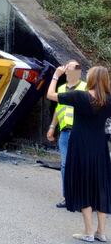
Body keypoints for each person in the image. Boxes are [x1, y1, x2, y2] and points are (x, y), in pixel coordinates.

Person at [47, 65, 111, 243]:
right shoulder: (108, 100)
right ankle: (101, 232)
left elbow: (50, 95)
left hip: (80, 146)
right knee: (101, 186)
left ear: (91, 79)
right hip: (100, 147)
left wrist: (56, 76)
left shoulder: (80, 96)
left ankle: (89, 232)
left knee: (84, 184)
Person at [46, 60, 86, 208]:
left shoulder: (85, 87)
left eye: (75, 68)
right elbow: (58, 108)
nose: (71, 71)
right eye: (69, 68)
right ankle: (68, 196)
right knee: (65, 165)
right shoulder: (62, 88)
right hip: (64, 133)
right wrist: (52, 126)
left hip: (80, 133)